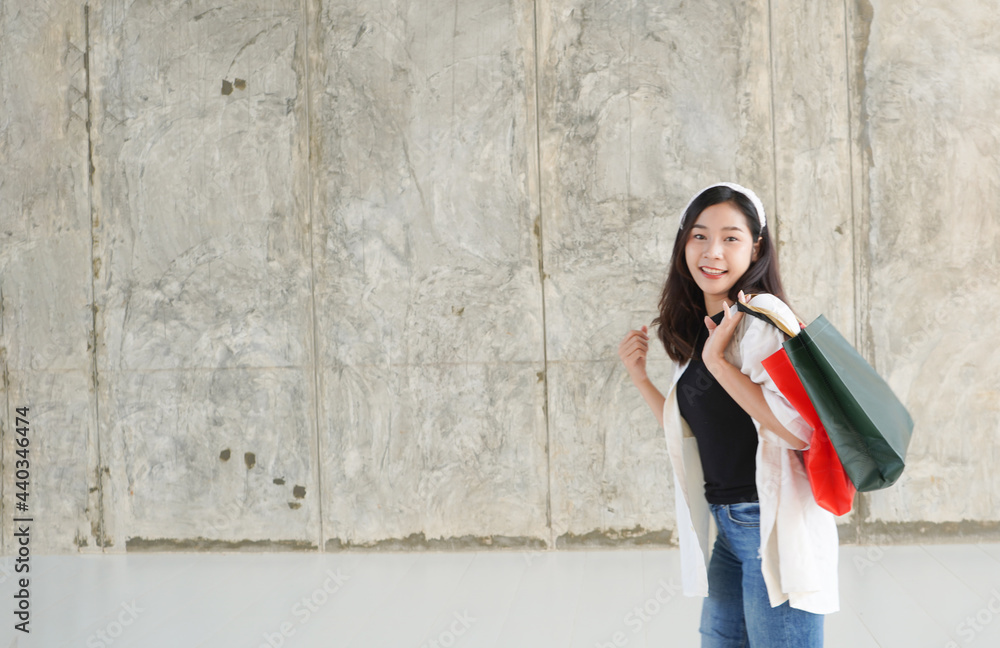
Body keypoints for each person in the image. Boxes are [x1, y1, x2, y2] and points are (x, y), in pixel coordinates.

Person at [617, 183, 839, 647]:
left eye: (730, 237)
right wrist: (640, 377)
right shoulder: (700, 326)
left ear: (756, 247)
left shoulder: (763, 320)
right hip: (729, 532)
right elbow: (691, 432)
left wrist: (719, 363)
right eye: (699, 236)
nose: (712, 251)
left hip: (769, 524)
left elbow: (800, 430)